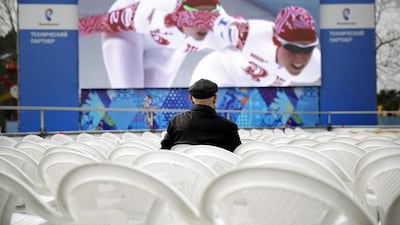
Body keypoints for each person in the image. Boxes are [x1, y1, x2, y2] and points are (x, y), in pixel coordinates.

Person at [79, 0, 248, 88]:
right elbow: (104, 22)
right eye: (197, 20)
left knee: (151, 106)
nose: (203, 26)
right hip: (128, 31)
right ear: (180, 17)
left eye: (208, 21)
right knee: (128, 99)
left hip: (168, 46)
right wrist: (67, 31)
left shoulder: (223, 30)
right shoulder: (156, 13)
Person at [190, 5, 320, 87]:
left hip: (259, 95)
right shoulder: (249, 34)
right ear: (276, 41)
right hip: (221, 72)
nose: (300, 57)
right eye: (293, 48)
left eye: (308, 49)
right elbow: (211, 20)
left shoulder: (317, 68)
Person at [161, 79, 242, 152]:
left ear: (191, 99)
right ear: (215, 99)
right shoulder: (228, 127)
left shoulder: (176, 122)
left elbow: (165, 150)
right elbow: (237, 154)